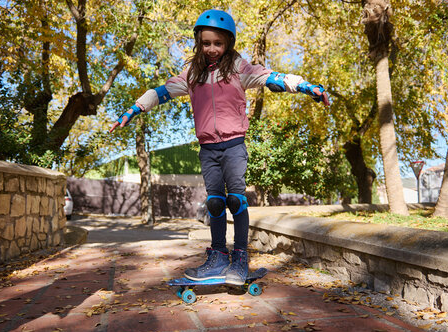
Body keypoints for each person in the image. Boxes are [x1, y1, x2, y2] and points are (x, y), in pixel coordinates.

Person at [110, 9, 329, 285]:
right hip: (208, 148)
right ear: (198, 43)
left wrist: (307, 87)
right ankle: (218, 257)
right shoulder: (192, 74)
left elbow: (272, 78)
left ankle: (240, 258)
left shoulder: (239, 68)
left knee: (236, 198)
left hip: (234, 145)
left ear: (228, 43)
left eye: (218, 43)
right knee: (214, 201)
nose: (212, 49)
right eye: (206, 43)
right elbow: (162, 91)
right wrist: (135, 108)